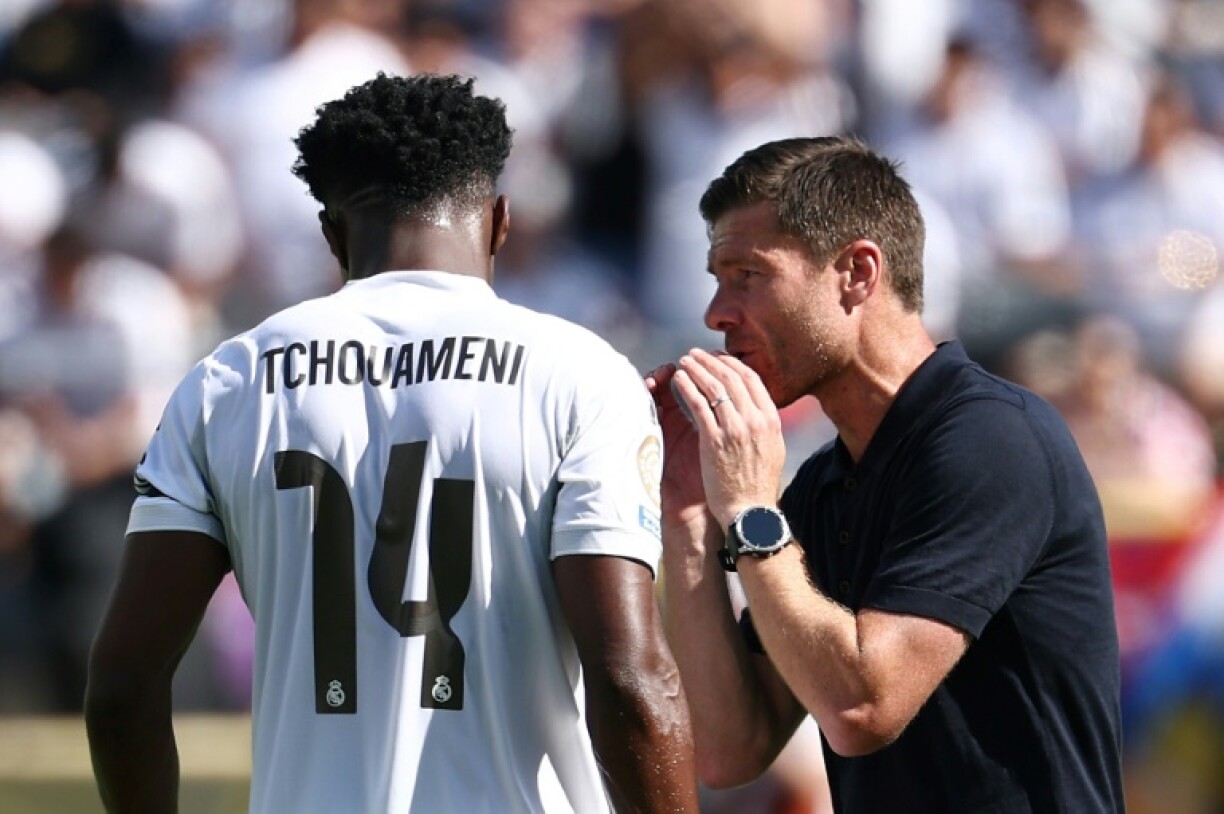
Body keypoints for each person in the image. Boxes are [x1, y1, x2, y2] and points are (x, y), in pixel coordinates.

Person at [85, 72, 699, 814]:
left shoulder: (225, 383)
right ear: (499, 221)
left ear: (332, 235)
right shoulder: (582, 374)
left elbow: (122, 684)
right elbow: (630, 678)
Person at [646, 135, 1126, 813]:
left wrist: (751, 508)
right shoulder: (825, 483)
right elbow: (730, 750)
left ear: (857, 272)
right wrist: (689, 515)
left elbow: (863, 708)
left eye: (747, 274)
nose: (716, 313)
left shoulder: (991, 438)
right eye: (718, 279)